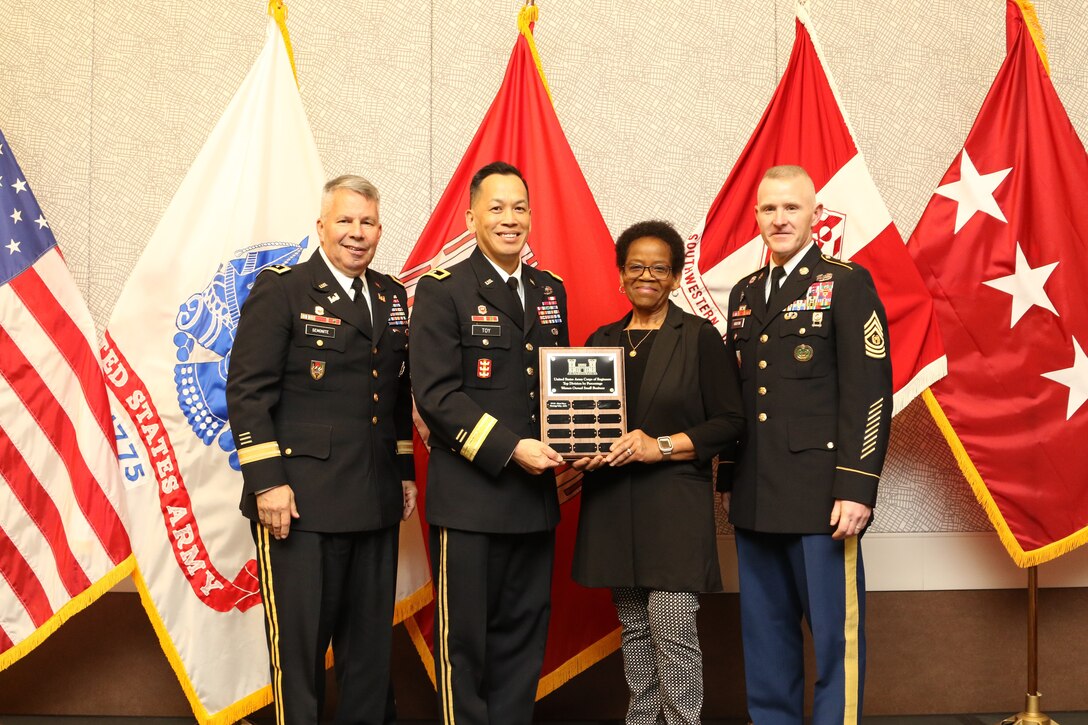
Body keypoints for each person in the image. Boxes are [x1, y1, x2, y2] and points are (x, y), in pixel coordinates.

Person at [226, 174, 417, 725]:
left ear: (380, 229)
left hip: (375, 497)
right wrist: (267, 482)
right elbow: (247, 390)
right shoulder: (283, 288)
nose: (357, 234)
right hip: (299, 502)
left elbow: (396, 391)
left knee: (368, 652)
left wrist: (403, 470)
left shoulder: (390, 294)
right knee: (302, 650)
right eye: (345, 221)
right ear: (321, 227)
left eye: (368, 222)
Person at [722, 165, 893, 724]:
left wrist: (858, 487)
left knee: (835, 644)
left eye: (791, 208)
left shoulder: (846, 282)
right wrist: (729, 479)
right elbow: (738, 396)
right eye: (769, 209)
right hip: (756, 494)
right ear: (756, 218)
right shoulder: (746, 293)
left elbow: (869, 392)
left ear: (816, 216)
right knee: (766, 643)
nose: (779, 219)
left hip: (825, 499)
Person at [410, 161, 568, 725]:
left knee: (524, 636)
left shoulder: (550, 291)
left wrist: (577, 436)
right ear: (472, 215)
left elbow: (560, 387)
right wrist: (513, 449)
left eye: (520, 207)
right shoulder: (442, 290)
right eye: (496, 207)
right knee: (465, 643)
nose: (510, 219)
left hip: (534, 499)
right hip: (471, 498)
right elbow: (436, 396)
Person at [571, 220, 745, 725]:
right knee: (634, 630)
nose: (646, 276)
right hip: (611, 506)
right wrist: (577, 451)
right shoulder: (600, 340)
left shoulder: (697, 337)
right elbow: (580, 421)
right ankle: (642, 720)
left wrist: (662, 445)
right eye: (636, 267)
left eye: (659, 268)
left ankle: (682, 721)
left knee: (672, 634)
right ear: (620, 275)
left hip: (672, 509)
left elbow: (730, 423)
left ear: (674, 277)